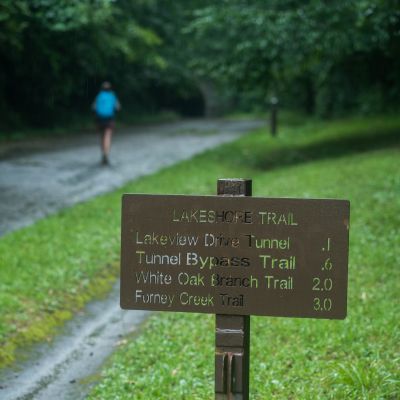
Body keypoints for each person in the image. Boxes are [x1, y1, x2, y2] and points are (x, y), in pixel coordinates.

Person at [92, 81, 121, 165]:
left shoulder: (99, 96)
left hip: (100, 119)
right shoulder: (112, 96)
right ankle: (106, 154)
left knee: (102, 136)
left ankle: (102, 154)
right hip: (109, 118)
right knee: (107, 136)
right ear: (110, 88)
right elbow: (118, 107)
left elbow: (94, 107)